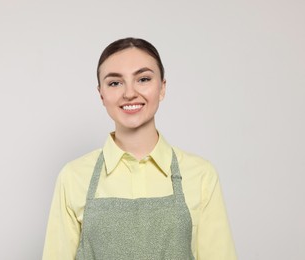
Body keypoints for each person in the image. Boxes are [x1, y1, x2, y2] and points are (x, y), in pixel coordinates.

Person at [43, 37, 237, 260]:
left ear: (162, 88)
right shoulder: (73, 177)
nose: (129, 93)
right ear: (101, 95)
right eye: (115, 83)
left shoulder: (201, 175)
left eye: (143, 79)